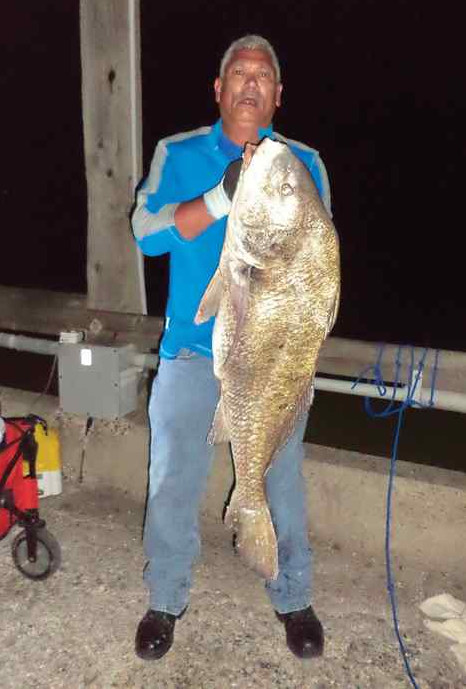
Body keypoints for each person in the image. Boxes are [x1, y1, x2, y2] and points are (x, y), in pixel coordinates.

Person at [131, 35, 333, 661]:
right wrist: (223, 194)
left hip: (273, 360)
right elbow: (145, 234)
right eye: (239, 74)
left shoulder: (303, 163)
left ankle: (293, 594)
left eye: (264, 76)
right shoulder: (179, 152)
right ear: (218, 89)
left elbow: (316, 262)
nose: (251, 83)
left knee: (283, 482)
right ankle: (165, 598)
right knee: (171, 480)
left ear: (278, 94)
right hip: (191, 352)